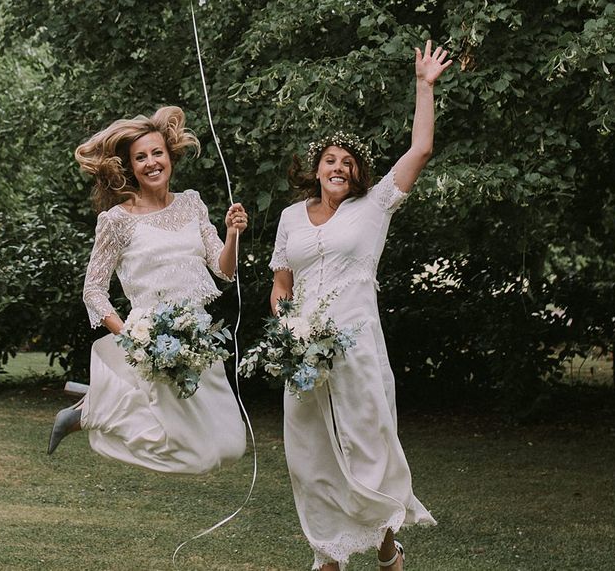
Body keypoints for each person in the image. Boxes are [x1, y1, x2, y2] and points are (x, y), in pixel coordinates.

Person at [269, 41, 452, 570]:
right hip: (302, 353)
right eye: (331, 160)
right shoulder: (289, 218)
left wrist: (424, 86)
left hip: (356, 347)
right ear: (316, 168)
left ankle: (388, 547)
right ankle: (329, 553)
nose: (339, 167)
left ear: (357, 176)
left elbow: (419, 150)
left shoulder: (374, 207)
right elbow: (281, 285)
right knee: (311, 455)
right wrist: (287, 327)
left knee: (368, 447)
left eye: (348, 163)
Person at [47, 105, 248, 475]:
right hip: (152, 344)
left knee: (232, 445)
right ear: (130, 167)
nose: (151, 162)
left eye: (157, 153)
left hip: (200, 340)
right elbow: (93, 291)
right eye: (141, 157)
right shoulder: (117, 221)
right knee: (198, 455)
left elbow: (224, 270)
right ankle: (93, 412)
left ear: (170, 156)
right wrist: (130, 339)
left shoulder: (192, 203)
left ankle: (92, 405)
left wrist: (233, 233)